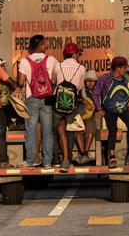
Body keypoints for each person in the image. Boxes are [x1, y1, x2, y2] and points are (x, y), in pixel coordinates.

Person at [18, 34, 59, 169]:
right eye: (45, 43)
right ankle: (47, 162)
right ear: (41, 45)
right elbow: (55, 79)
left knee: (30, 130)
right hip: (47, 98)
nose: (47, 45)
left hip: (32, 98)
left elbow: (21, 82)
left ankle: (30, 161)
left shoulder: (24, 61)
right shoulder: (51, 60)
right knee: (47, 130)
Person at [92, 56, 129, 168]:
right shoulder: (104, 79)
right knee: (113, 129)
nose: (125, 70)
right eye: (124, 68)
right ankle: (111, 156)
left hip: (122, 108)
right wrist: (99, 108)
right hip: (109, 109)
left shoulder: (124, 79)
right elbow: (96, 93)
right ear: (118, 68)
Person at [52, 42, 87, 172]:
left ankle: (60, 158)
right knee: (70, 129)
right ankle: (68, 158)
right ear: (73, 54)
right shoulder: (81, 68)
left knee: (57, 129)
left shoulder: (57, 66)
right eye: (78, 53)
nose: (78, 56)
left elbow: (54, 81)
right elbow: (80, 87)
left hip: (58, 102)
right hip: (72, 104)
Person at [76, 69, 98, 165]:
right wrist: (84, 101)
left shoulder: (98, 92)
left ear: (95, 82)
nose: (90, 83)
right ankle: (83, 153)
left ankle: (85, 153)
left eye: (92, 81)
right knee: (77, 129)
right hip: (79, 115)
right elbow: (76, 98)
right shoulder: (81, 91)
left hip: (91, 116)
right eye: (88, 81)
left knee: (91, 126)